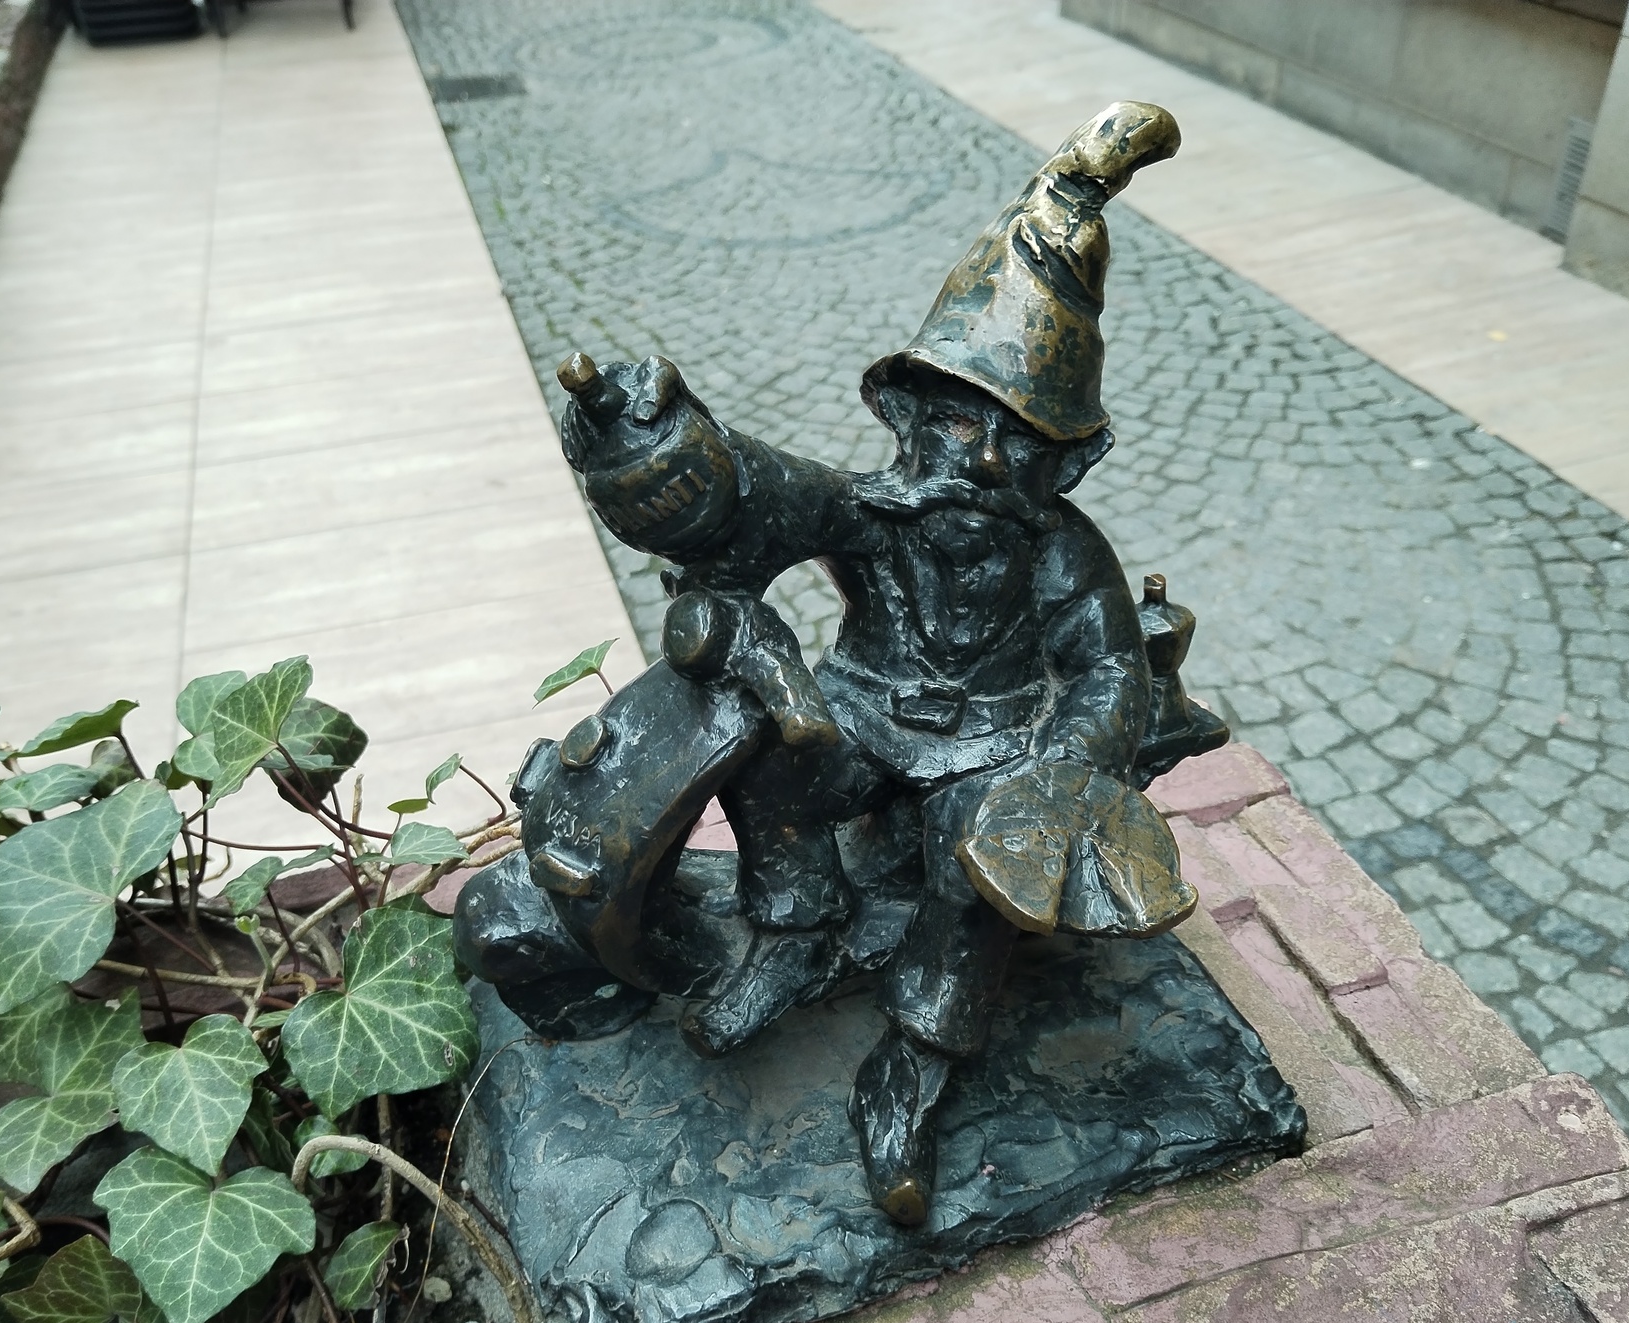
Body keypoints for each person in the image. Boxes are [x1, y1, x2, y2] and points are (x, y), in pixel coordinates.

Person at [501, 101, 1220, 1226]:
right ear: (908, 413)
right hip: (865, 719)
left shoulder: (1064, 554)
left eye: (1023, 440)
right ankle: (796, 925)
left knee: (978, 858)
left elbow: (1106, 674)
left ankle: (914, 1064)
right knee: (771, 747)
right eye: (960, 421)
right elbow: (756, 499)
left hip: (997, 748)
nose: (984, 462)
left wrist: (1061, 765)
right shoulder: (873, 510)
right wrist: (667, 458)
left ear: (1064, 463)